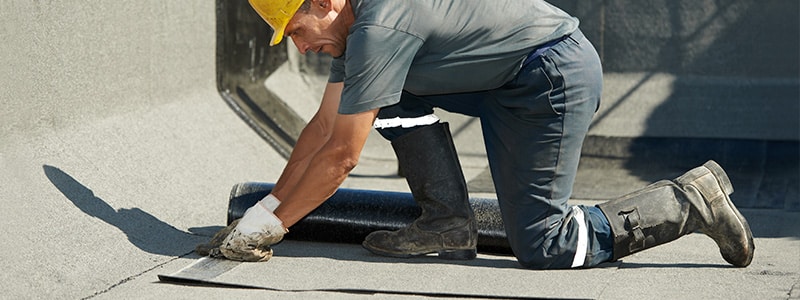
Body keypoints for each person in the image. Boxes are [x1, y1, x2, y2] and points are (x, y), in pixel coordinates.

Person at [210, 0, 754, 269]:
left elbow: (341, 157)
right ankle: (447, 222)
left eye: (299, 32)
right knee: (386, 95)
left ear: (325, 2)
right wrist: (269, 205)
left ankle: (688, 202)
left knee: (545, 244)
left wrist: (266, 229)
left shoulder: (378, 28)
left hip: (550, 78)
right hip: (504, 78)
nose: (300, 47)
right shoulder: (357, 36)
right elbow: (323, 129)